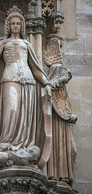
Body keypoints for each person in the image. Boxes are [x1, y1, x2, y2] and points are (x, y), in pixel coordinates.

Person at [0, 6, 52, 171]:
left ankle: (23, 145)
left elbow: (35, 68)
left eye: (19, 23)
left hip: (28, 82)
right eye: (13, 23)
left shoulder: (27, 44)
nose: (16, 26)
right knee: (11, 110)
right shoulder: (3, 44)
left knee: (24, 116)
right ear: (8, 26)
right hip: (9, 79)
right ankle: (7, 142)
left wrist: (46, 82)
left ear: (23, 25)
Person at [44, 38, 77, 187]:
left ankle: (64, 176)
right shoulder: (53, 74)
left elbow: (66, 75)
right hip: (55, 117)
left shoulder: (61, 74)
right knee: (58, 145)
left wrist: (53, 83)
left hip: (63, 117)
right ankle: (58, 175)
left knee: (72, 150)